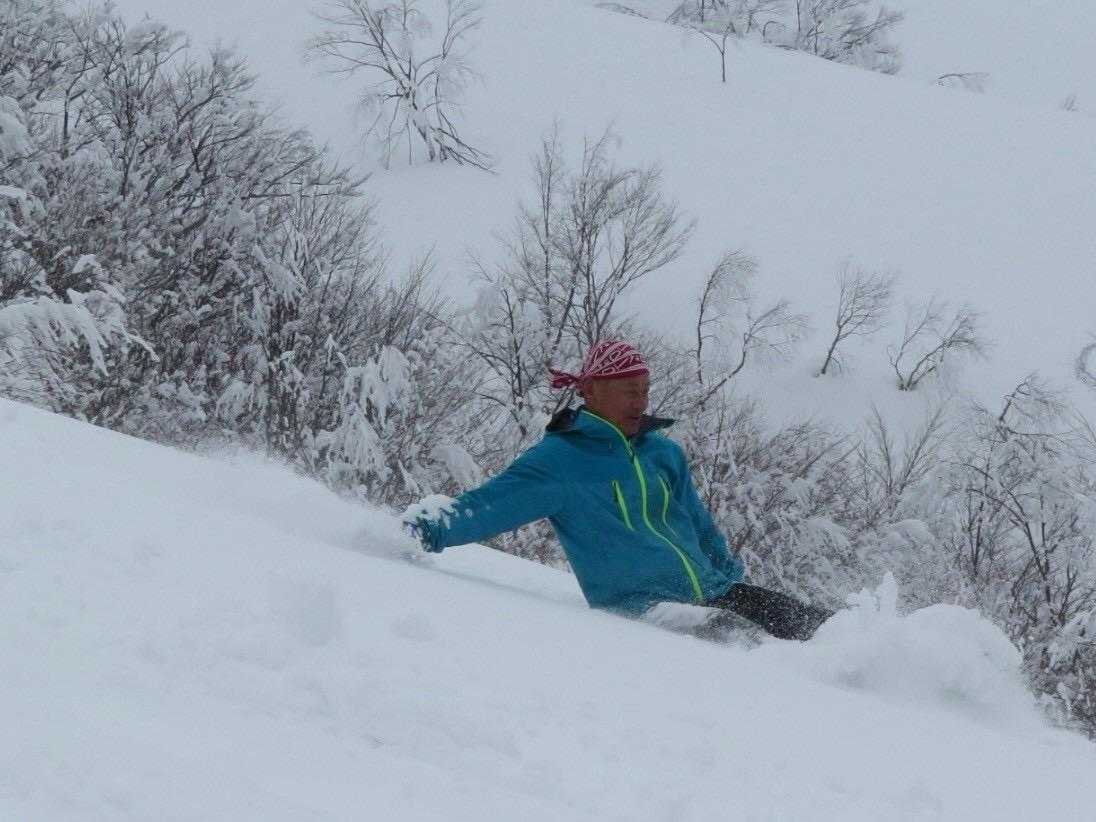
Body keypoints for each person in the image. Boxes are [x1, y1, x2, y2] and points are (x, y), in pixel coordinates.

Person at [404, 340, 831, 641]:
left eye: (644, 391)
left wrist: (735, 585)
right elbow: (486, 507)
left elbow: (699, 525)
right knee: (743, 640)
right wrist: (411, 533)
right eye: (629, 392)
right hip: (645, 611)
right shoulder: (560, 462)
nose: (640, 402)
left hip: (712, 591)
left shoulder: (662, 453)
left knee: (815, 627)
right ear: (590, 391)